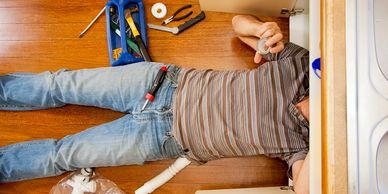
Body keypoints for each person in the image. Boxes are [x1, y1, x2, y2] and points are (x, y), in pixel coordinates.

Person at [0, 15, 309, 194]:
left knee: (64, 155)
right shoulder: (302, 63)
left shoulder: (307, 147)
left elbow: (309, 188)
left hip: (161, 139)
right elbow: (238, 22)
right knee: (60, 84)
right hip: (160, 84)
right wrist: (259, 31)